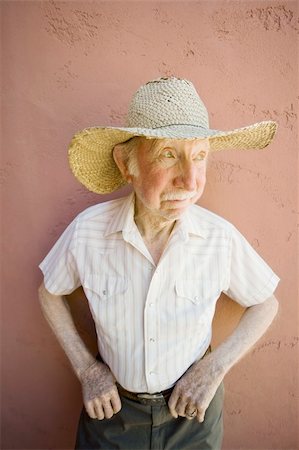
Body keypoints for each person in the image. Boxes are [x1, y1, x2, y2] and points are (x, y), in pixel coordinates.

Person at [38, 77, 280, 450]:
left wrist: (213, 369)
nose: (190, 180)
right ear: (126, 163)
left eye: (199, 155)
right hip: (112, 415)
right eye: (169, 154)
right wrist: (87, 369)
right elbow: (49, 292)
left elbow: (267, 301)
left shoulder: (219, 237)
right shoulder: (88, 231)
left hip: (193, 416)